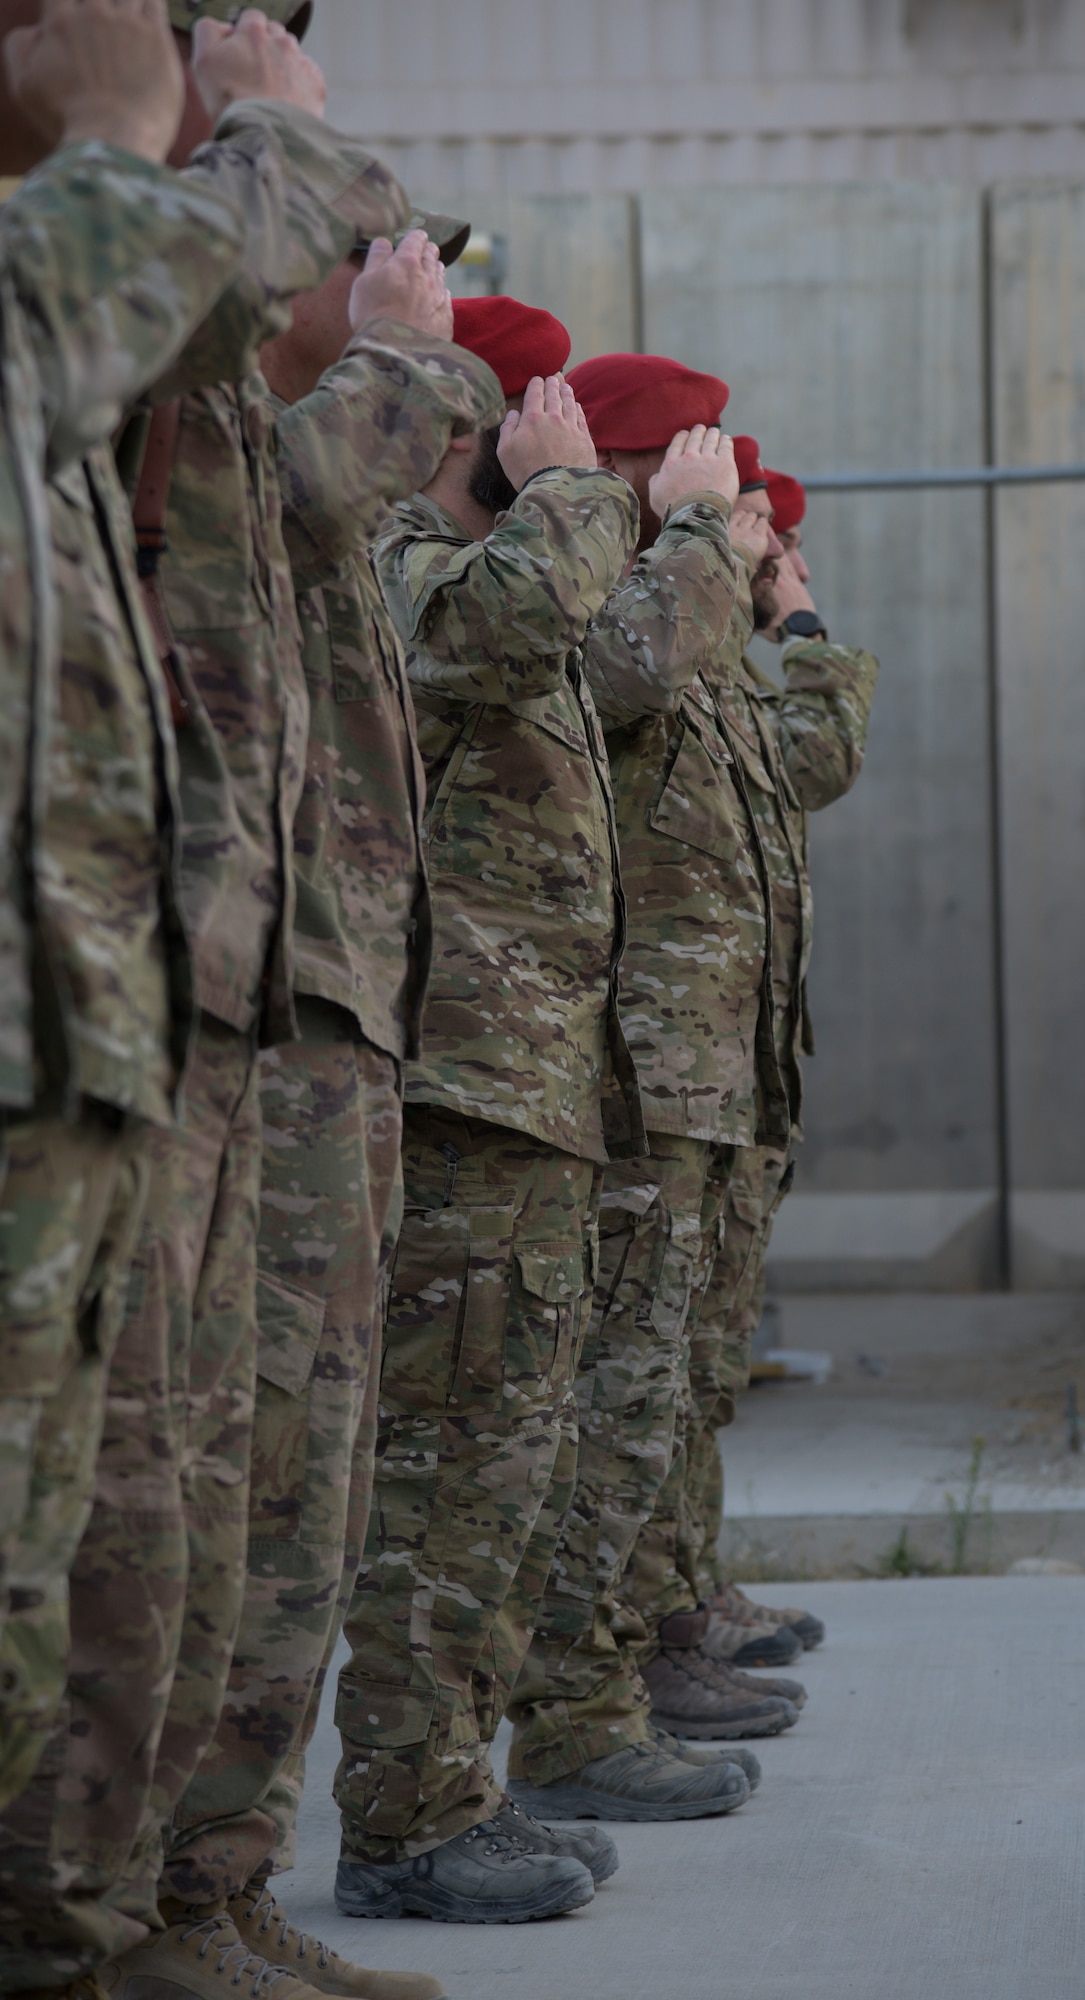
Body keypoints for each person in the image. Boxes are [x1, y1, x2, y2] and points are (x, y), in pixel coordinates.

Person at [0, 9, 422, 1997]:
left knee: (236, 1470)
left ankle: (187, 1898)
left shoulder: (193, 373)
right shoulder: (90, 295)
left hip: (211, 978)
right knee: (135, 1490)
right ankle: (99, 1921)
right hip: (158, 990)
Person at [150, 221, 502, 2000]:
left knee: (312, 1485)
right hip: (257, 1034)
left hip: (337, 1030)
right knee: (249, 1465)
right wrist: (403, 351)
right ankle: (157, 1907)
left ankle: (215, 1894)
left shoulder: (309, 464)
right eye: (350, 244)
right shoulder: (220, 425)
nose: (396, 276)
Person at [333, 296, 681, 1928]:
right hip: (459, 1090)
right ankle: (403, 1816)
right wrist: (574, 493)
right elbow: (478, 635)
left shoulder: (502, 571)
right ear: (476, 431)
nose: (563, 445)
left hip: (528, 1092)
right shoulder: (403, 555)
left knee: (505, 1462)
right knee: (446, 1465)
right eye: (534, 418)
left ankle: (455, 1787)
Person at [0, 0, 251, 1831]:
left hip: (95, 1031)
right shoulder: (63, 292)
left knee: (95, 1546)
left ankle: (114, 1927)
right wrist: (120, 140)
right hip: (90, 1035)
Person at [504, 352, 801, 1829]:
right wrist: (687, 544)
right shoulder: (601, 618)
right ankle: (580, 1698)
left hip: (696, 1078)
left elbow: (810, 765)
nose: (736, 522)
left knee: (660, 1400)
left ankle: (629, 1666)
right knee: (610, 1406)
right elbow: (615, 678)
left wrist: (775, 604)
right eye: (695, 478)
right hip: (624, 1079)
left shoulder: (682, 628)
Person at [633, 440, 879, 1689]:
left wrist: (797, 618)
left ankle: (683, 1592)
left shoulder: (718, 672)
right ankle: (648, 1628)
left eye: (773, 545)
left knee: (702, 1364)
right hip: (661, 1074)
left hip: (731, 1070)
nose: (773, 562)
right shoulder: (657, 658)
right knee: (651, 1376)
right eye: (758, 540)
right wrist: (768, 605)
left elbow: (813, 760)